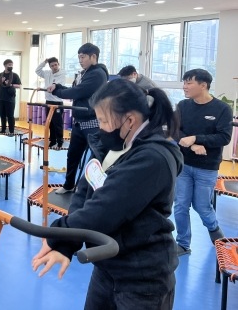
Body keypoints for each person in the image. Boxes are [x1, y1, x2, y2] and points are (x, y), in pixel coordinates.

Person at [32, 78, 183, 309]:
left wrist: (59, 234)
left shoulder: (153, 158)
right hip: (108, 265)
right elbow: (85, 191)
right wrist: (66, 244)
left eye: (103, 120)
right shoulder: (115, 145)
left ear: (129, 120)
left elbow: (106, 208)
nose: (100, 127)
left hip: (143, 277)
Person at [173, 68, 232, 256]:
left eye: (189, 83)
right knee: (180, 205)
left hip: (207, 167)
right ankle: (183, 244)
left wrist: (197, 138)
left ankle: (214, 229)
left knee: (202, 206)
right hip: (184, 164)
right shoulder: (183, 106)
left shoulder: (222, 109)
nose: (185, 87)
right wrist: (192, 145)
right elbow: (175, 131)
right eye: (184, 83)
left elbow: (224, 137)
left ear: (203, 85)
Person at [47, 43, 108, 193]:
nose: (80, 60)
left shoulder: (97, 74)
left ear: (93, 56)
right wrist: (58, 87)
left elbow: (77, 92)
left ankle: (94, 192)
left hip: (93, 123)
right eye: (79, 57)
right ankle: (68, 185)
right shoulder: (86, 73)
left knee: (96, 159)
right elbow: (75, 89)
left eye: (83, 57)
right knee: (72, 156)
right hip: (79, 123)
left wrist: (57, 91)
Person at [35, 57, 66, 147]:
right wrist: (44, 62)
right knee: (50, 123)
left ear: (58, 64)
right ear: (49, 66)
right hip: (48, 101)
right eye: (52, 66)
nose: (54, 67)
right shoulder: (47, 73)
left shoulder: (62, 73)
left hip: (57, 102)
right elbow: (37, 71)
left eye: (55, 65)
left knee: (58, 124)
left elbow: (56, 85)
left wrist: (45, 88)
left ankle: (60, 142)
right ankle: (52, 140)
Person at [0, 59, 22, 134]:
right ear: (5, 65)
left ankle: (11, 131)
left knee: (10, 115)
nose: (11, 66)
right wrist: (1, 81)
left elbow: (19, 86)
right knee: (2, 115)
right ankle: (3, 130)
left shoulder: (15, 75)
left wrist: (10, 84)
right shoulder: (0, 75)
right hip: (1, 98)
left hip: (10, 99)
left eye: (12, 65)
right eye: (9, 65)